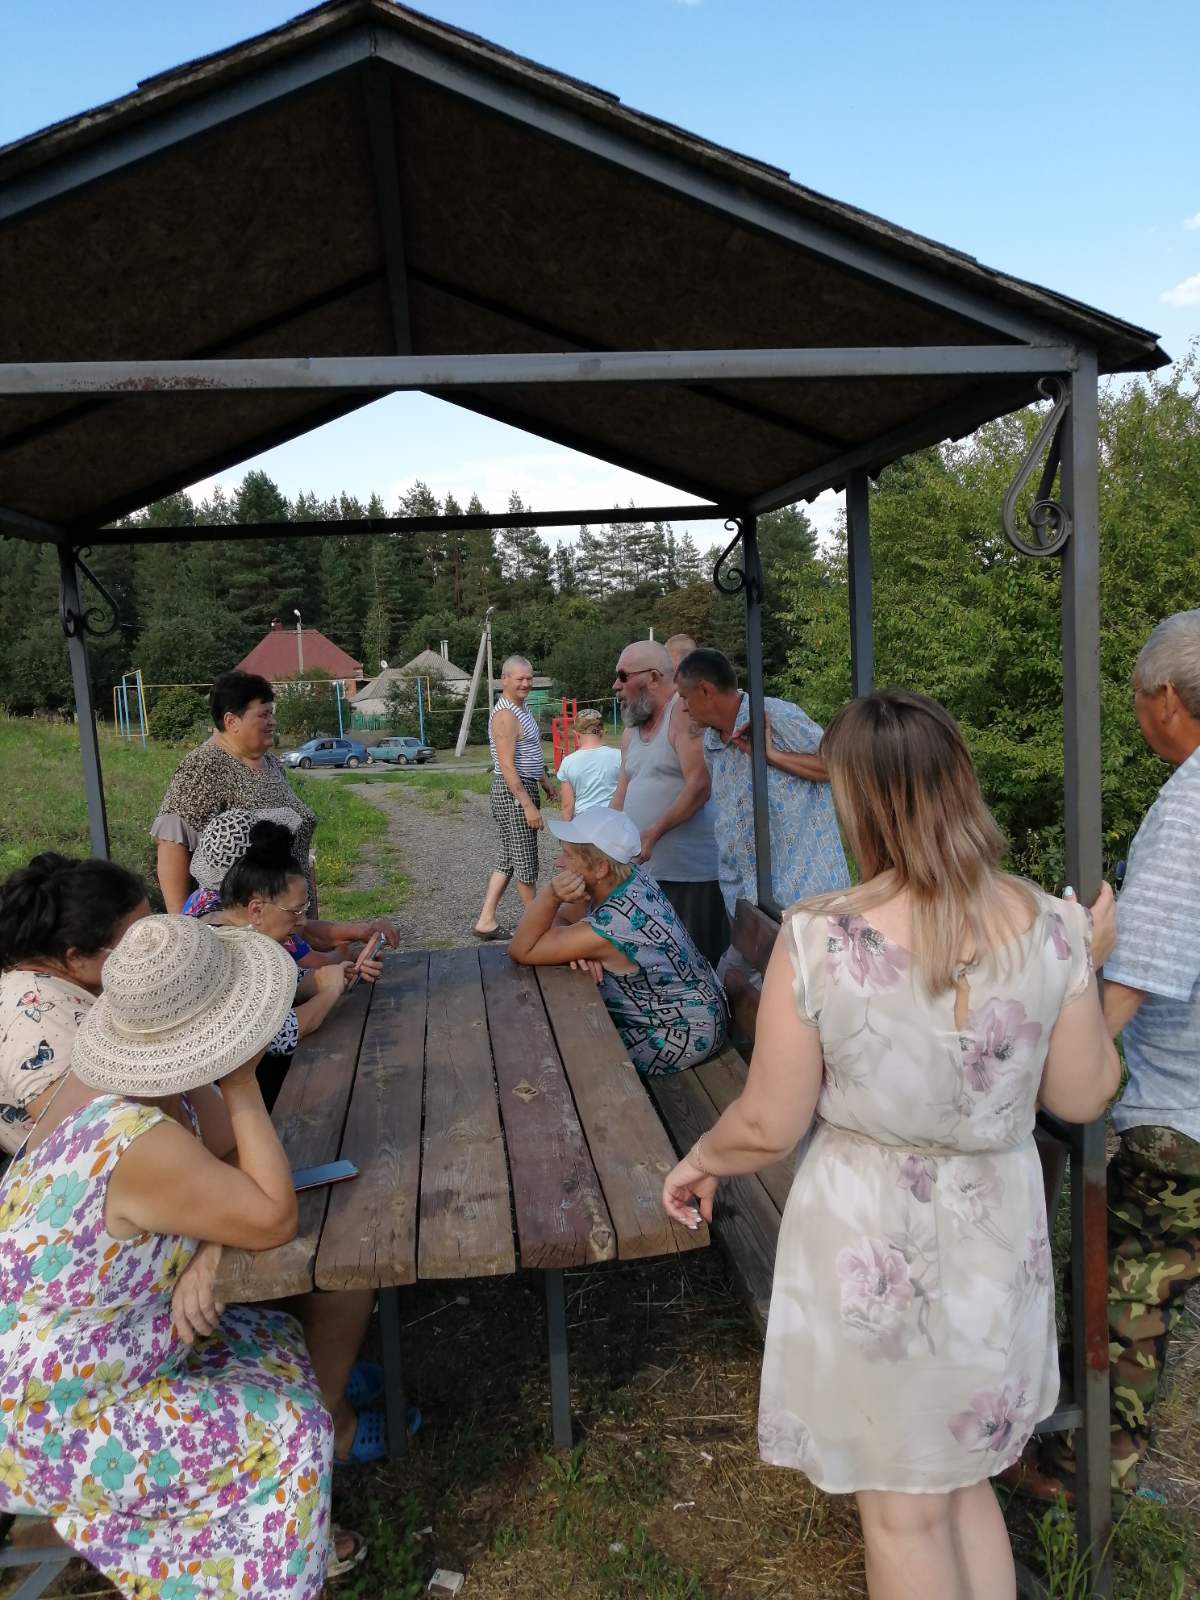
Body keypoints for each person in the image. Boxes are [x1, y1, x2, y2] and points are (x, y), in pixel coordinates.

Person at [661, 690, 1119, 1600]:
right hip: (995, 1238)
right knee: (958, 1489)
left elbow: (767, 1123)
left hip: (873, 1239)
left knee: (902, 1514)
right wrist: (1084, 967)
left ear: (858, 802)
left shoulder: (823, 937)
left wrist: (701, 1159)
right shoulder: (1049, 926)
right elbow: (1082, 1091)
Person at [0, 914, 353, 1594]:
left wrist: (216, 1244)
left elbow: (231, 1165)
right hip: (48, 1413)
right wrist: (243, 1080)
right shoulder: (131, 1133)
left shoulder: (154, 1086)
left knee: (271, 1339)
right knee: (288, 1432)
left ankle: (253, 1548)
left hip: (98, 1360)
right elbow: (273, 1213)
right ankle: (261, 1572)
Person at [1026, 609, 1200, 1501]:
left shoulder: (1190, 809)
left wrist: (1053, 1048)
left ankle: (1089, 1477)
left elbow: (1136, 985)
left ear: (1166, 697)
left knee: (1124, 1294)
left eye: (1137, 699)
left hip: (1177, 1115)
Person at [508, 806, 725, 1076]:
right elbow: (562, 920)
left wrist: (550, 896)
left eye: (569, 855)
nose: (559, 864)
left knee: (564, 1060)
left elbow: (522, 949)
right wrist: (574, 946)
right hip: (695, 1010)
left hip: (682, 1031)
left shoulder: (615, 925)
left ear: (600, 868)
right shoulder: (628, 877)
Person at [674, 648, 849, 969]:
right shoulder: (712, 743)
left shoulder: (774, 716)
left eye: (684, 697)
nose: (683, 708)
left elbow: (837, 766)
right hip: (746, 900)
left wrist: (770, 756)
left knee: (815, 993)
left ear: (705, 690)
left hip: (807, 895)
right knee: (741, 989)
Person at [198, 822, 382, 1108]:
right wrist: (329, 992)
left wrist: (341, 973)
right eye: (295, 912)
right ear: (256, 910)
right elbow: (281, 1035)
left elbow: (295, 980)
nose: (302, 922)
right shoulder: (229, 954)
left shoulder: (226, 929)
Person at [0, 853, 149, 1154]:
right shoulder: (40, 1023)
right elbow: (94, 1141)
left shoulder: (68, 983)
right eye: (139, 944)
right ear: (76, 957)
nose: (153, 952)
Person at [153, 670, 318, 916]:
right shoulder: (204, 766)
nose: (272, 722)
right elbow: (172, 845)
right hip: (242, 927)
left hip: (287, 919)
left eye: (271, 713)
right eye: (263, 715)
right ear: (232, 721)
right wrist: (184, 928)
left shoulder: (270, 764)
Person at [610, 640, 728, 969]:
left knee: (696, 965)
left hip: (690, 877)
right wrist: (594, 842)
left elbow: (700, 785)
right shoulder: (630, 733)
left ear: (653, 677)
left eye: (622, 675)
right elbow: (620, 793)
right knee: (658, 967)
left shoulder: (683, 714)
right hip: (646, 874)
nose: (615, 685)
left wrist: (654, 832)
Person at [186, 807, 399, 968]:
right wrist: (348, 953)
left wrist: (361, 932)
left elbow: (299, 927)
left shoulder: (202, 900)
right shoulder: (252, 931)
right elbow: (317, 961)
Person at [473, 655, 558, 940]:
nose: (525, 683)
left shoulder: (523, 709)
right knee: (526, 862)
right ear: (504, 679)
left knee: (509, 858)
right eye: (519, 678)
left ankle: (485, 921)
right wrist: (528, 805)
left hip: (525, 787)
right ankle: (536, 930)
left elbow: (531, 754)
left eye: (529, 678)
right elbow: (508, 766)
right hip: (513, 793)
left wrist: (545, 782)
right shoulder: (506, 715)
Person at [556, 708, 621, 820]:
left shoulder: (568, 762)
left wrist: (566, 834)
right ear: (602, 732)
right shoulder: (619, 756)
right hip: (613, 820)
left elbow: (567, 806)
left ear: (576, 734)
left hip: (584, 822)